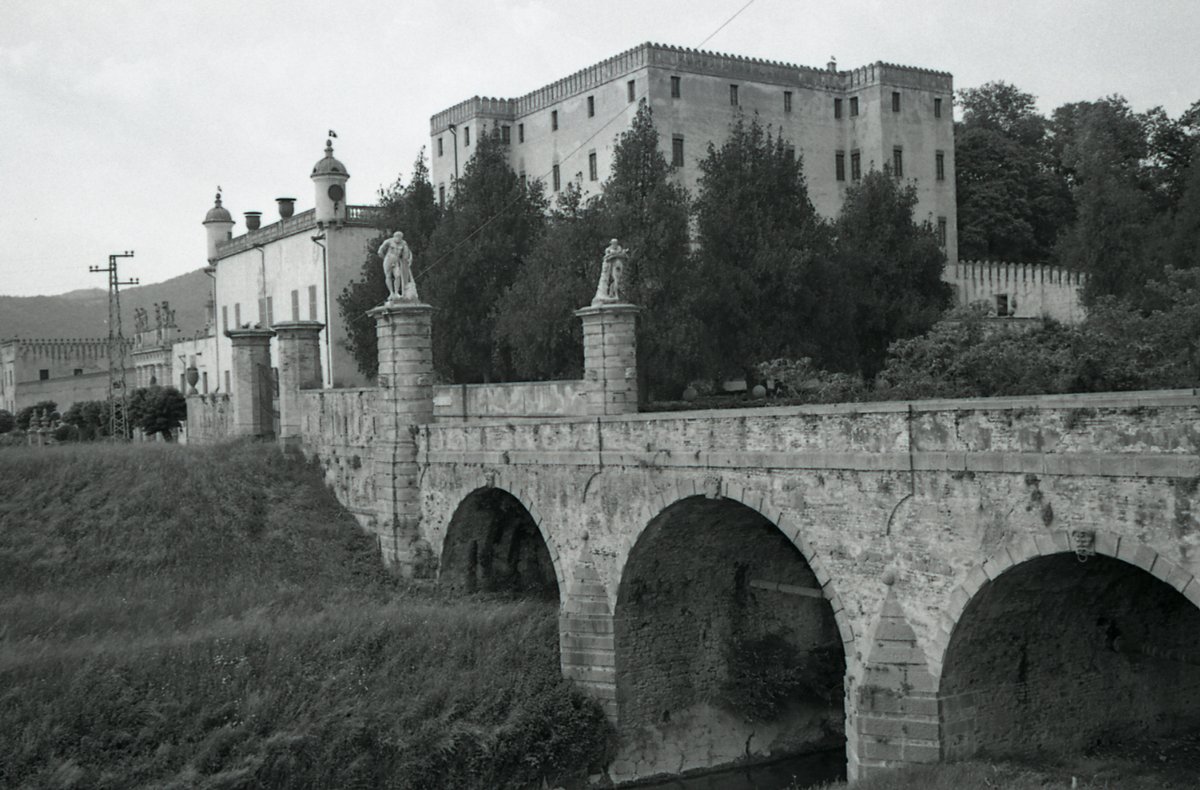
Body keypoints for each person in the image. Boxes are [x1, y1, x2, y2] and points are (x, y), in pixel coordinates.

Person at [379, 231, 417, 301]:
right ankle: (391, 293)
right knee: (388, 276)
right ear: (394, 237)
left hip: (396, 260)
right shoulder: (389, 241)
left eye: (400, 238)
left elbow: (408, 252)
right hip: (388, 258)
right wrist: (385, 258)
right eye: (397, 237)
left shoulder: (403, 243)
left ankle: (396, 292)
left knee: (398, 275)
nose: (398, 239)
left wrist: (409, 259)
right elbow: (380, 250)